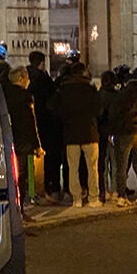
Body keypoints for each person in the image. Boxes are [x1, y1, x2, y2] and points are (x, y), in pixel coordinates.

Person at [48, 62, 101, 207]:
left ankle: (76, 198)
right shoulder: (90, 89)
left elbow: (55, 109)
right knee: (92, 167)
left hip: (71, 133)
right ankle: (93, 198)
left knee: (73, 168)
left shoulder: (64, 90)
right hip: (89, 133)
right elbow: (99, 110)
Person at [109, 77, 137, 205]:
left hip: (124, 134)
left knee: (121, 167)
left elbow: (113, 114)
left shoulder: (122, 98)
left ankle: (122, 196)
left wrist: (113, 131)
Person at [5, 66, 43, 214]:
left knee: (13, 177)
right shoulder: (25, 97)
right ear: (21, 79)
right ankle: (20, 210)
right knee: (22, 176)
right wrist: (37, 145)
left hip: (9, 140)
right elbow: (29, 123)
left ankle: (14, 209)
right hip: (23, 142)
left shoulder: (4, 95)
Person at [27, 51, 61, 202]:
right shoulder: (43, 79)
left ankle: (31, 191)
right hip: (46, 125)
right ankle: (47, 188)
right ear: (41, 63)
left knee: (28, 162)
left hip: (29, 127)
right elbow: (52, 99)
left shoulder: (25, 77)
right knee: (49, 158)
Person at [97, 70, 119, 203]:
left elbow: (98, 115)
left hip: (102, 132)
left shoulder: (100, 95)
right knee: (115, 164)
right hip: (116, 132)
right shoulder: (118, 96)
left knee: (103, 164)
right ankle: (115, 191)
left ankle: (104, 190)